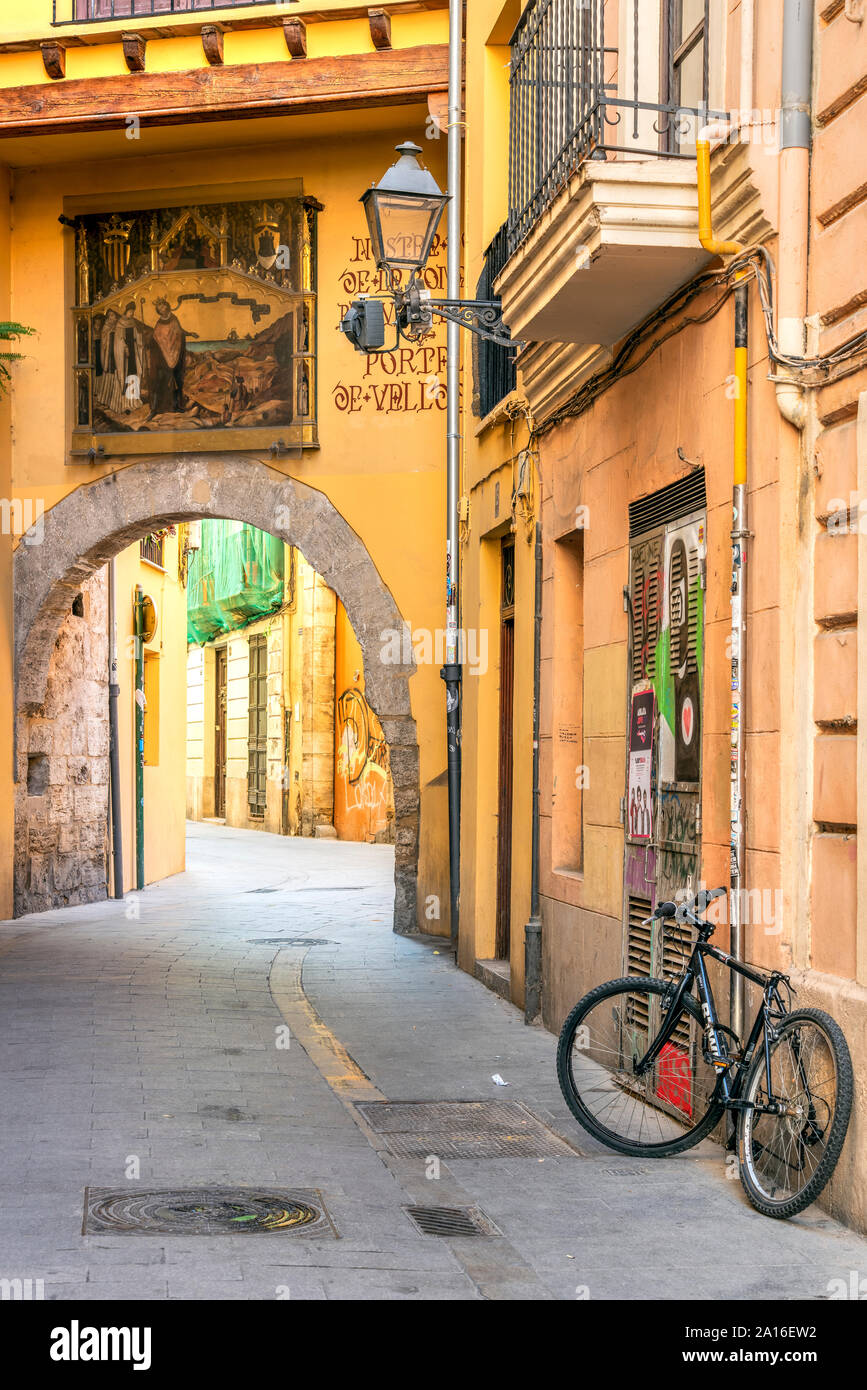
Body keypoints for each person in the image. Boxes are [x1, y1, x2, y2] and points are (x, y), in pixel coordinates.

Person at [147, 297, 186, 417]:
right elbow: (156, 337)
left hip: (175, 354)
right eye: (159, 308)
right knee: (159, 380)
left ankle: (176, 406)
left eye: (163, 306)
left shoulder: (174, 319)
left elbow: (179, 332)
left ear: (167, 306)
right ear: (158, 311)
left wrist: (188, 333)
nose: (162, 309)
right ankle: (155, 409)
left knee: (176, 380)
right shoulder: (159, 323)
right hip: (162, 356)